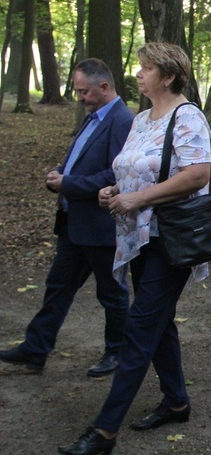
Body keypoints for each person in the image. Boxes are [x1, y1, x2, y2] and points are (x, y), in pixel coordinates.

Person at [59, 43, 211, 454]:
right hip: (137, 237)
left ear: (168, 76)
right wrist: (115, 190)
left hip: (171, 238)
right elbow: (131, 168)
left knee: (140, 328)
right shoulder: (143, 118)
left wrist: (139, 199)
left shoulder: (188, 117)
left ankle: (105, 431)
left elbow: (197, 174)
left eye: (146, 68)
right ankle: (177, 401)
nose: (138, 74)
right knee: (158, 322)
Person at [0, 59, 132, 377]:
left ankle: (117, 353)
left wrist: (68, 184)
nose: (80, 97)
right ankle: (36, 349)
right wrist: (59, 173)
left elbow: (118, 173)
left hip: (102, 226)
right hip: (75, 225)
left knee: (112, 293)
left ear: (104, 87)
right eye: (77, 90)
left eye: (84, 91)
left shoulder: (122, 120)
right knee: (58, 287)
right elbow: (80, 159)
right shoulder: (92, 117)